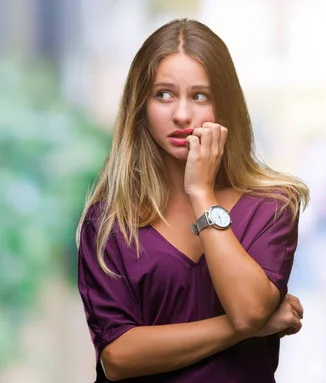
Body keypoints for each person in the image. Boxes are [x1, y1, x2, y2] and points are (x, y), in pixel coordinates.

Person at [75, 18, 309, 382]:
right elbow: (118, 357)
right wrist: (243, 329)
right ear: (141, 107)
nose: (181, 114)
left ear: (225, 106)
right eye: (163, 94)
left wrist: (201, 194)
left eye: (200, 96)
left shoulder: (272, 207)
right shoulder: (109, 221)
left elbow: (248, 310)